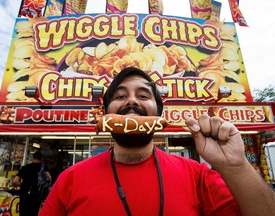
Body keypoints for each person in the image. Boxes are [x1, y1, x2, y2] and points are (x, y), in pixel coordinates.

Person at [39, 67, 275, 215]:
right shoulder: (70, 178)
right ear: (106, 113)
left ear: (158, 114)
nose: (132, 102)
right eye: (121, 96)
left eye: (143, 95)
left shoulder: (198, 175)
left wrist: (236, 166)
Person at [13, 151, 51, 216]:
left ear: (33, 158)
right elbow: (49, 178)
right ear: (41, 159)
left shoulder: (25, 167)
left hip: (25, 194)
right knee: (34, 212)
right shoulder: (43, 168)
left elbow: (15, 181)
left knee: (23, 213)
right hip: (36, 195)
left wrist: (22, 184)